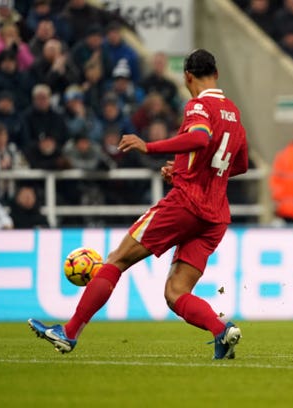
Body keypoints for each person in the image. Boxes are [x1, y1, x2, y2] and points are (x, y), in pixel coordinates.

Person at [28, 49, 248, 360]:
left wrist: (149, 146)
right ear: (217, 73)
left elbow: (200, 139)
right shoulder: (234, 113)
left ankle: (70, 331)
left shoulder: (199, 104)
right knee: (176, 294)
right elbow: (238, 164)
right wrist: (185, 168)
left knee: (116, 259)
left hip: (186, 204)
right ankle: (221, 331)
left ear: (187, 76)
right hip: (215, 216)